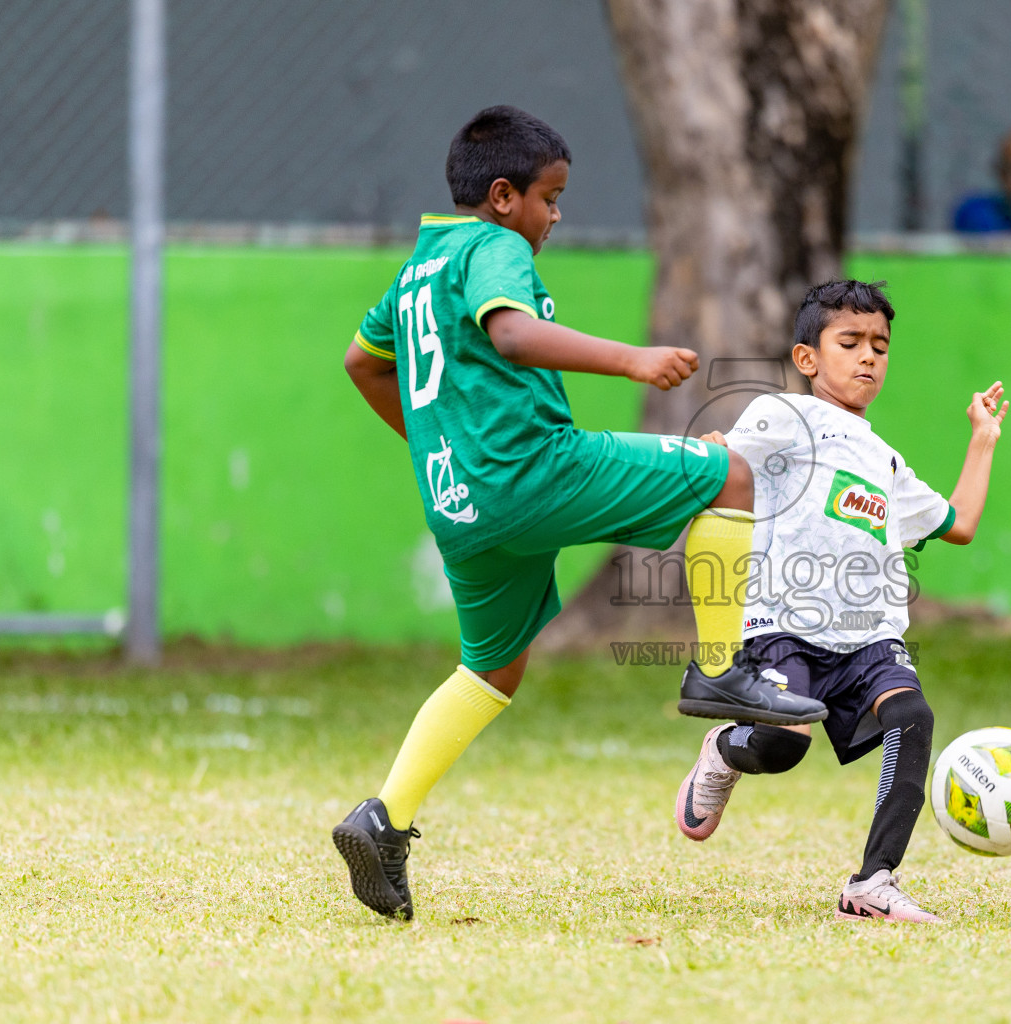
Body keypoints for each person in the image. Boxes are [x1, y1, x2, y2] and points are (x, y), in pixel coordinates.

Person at [331, 105, 827, 921]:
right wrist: (634, 359)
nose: (555, 215)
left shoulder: (420, 265)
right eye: (550, 198)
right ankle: (718, 667)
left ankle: (384, 817)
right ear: (502, 196)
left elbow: (361, 362)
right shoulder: (496, 248)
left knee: (493, 668)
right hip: (536, 468)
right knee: (733, 474)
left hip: (463, 505)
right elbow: (515, 336)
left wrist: (434, 448)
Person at [672, 279, 1009, 923]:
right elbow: (724, 464)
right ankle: (726, 749)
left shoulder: (885, 460)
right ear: (808, 359)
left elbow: (959, 522)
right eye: (849, 342)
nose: (868, 357)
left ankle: (872, 883)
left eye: (880, 345)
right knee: (783, 747)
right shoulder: (785, 415)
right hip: (783, 628)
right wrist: (712, 452)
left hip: (869, 636)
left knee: (914, 716)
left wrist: (982, 438)